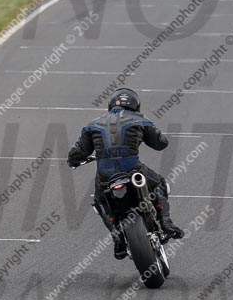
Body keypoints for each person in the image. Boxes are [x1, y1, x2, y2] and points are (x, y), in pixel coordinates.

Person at [68, 88, 185, 259]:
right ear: (135, 105)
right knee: (159, 183)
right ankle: (166, 223)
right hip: (132, 168)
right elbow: (161, 143)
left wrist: (73, 161)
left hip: (105, 174)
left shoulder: (92, 124)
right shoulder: (140, 120)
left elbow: (77, 153)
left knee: (100, 201)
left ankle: (117, 237)